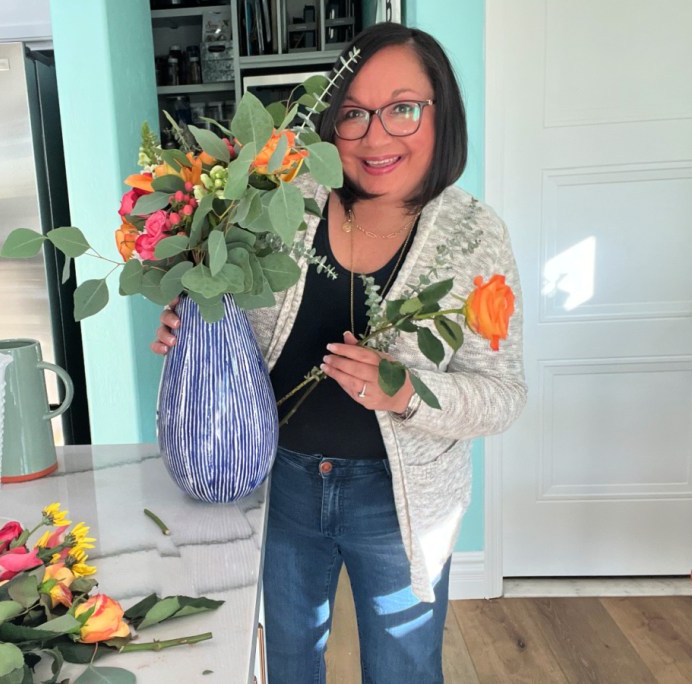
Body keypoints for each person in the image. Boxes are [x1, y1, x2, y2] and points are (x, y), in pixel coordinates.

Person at [152, 22, 526, 684]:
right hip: (285, 483)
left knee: (404, 668)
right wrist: (195, 330)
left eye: (403, 109)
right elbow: (240, 322)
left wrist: (408, 392)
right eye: (353, 114)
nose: (375, 136)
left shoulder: (472, 236)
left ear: (443, 114)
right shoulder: (284, 205)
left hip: (398, 500)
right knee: (290, 662)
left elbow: (502, 397)